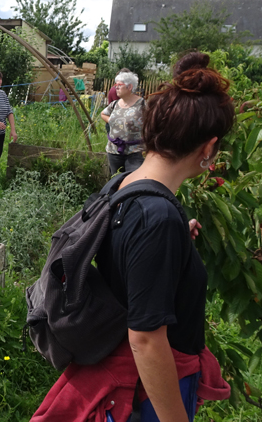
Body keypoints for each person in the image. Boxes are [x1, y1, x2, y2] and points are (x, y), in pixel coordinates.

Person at [32, 52, 234, 422]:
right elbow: (146, 339)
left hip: (130, 370)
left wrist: (171, 251)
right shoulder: (157, 217)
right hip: (149, 388)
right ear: (208, 148)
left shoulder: (125, 184)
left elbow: (122, 252)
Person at [102, 70, 145, 174]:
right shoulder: (115, 104)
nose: (116, 87)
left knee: (132, 183)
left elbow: (154, 122)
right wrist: (115, 123)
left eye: (119, 85)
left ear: (129, 87)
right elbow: (103, 114)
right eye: (115, 85)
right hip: (114, 151)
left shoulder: (142, 104)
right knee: (115, 181)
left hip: (135, 152)